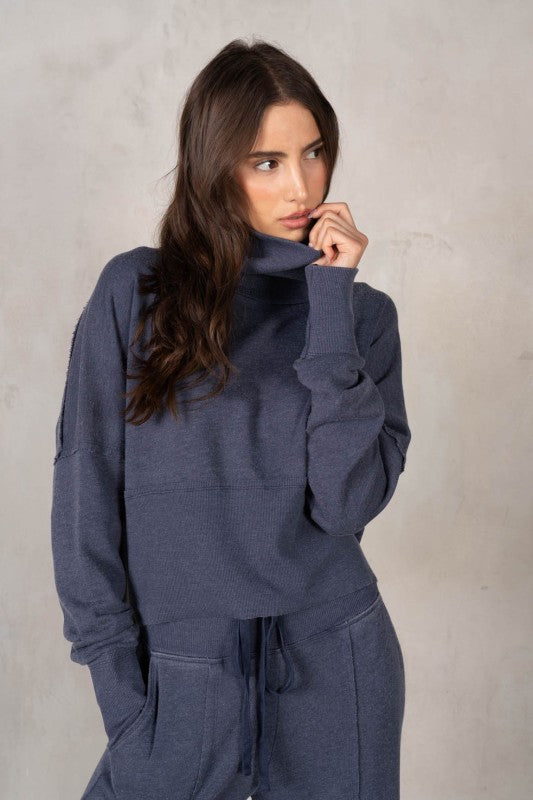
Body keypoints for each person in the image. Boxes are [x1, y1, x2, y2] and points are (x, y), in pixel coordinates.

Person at [50, 38, 411, 800]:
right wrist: (127, 705)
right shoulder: (136, 295)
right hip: (181, 682)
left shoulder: (361, 318)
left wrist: (330, 307)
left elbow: (344, 505)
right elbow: (85, 501)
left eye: (313, 153)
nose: (300, 186)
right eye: (266, 162)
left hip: (334, 671)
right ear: (214, 167)